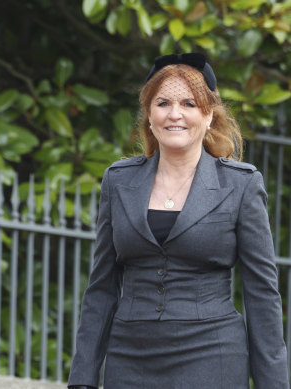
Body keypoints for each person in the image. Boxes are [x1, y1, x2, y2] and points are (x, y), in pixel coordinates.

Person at [68, 53, 289, 389]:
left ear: (209, 113)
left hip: (211, 356)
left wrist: (273, 383)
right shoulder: (118, 181)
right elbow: (101, 287)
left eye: (189, 103)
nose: (175, 114)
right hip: (130, 358)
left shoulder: (241, 184)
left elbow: (262, 294)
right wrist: (82, 378)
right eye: (163, 103)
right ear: (149, 114)